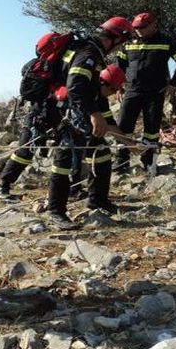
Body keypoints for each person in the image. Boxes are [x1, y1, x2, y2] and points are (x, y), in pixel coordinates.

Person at [47, 17, 133, 230]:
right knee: (63, 162)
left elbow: (93, 94)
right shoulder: (89, 53)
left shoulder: (92, 51)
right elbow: (75, 87)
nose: (121, 47)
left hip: (77, 111)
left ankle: (98, 199)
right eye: (121, 42)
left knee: (101, 153)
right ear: (115, 38)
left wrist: (124, 139)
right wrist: (94, 114)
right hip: (69, 114)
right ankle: (55, 211)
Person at [114, 12, 176, 175]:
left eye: (142, 27)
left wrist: (174, 84)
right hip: (132, 90)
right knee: (124, 125)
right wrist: (118, 85)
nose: (139, 30)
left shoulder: (166, 41)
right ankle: (121, 160)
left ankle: (148, 162)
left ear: (153, 25)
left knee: (151, 128)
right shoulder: (128, 42)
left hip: (155, 91)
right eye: (136, 27)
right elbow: (119, 66)